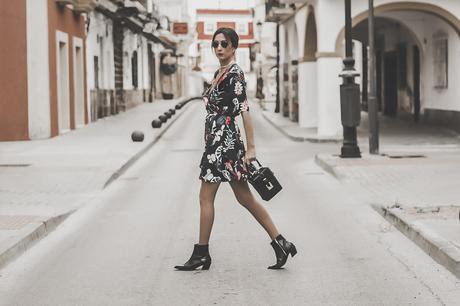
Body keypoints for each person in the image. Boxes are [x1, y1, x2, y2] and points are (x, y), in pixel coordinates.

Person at [174, 28, 297, 271]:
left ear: (233, 47)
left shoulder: (235, 73)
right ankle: (281, 243)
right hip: (218, 142)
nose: (219, 47)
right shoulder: (220, 72)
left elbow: (244, 110)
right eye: (216, 43)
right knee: (244, 197)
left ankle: (201, 253)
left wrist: (251, 148)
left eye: (224, 43)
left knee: (205, 197)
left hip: (224, 144)